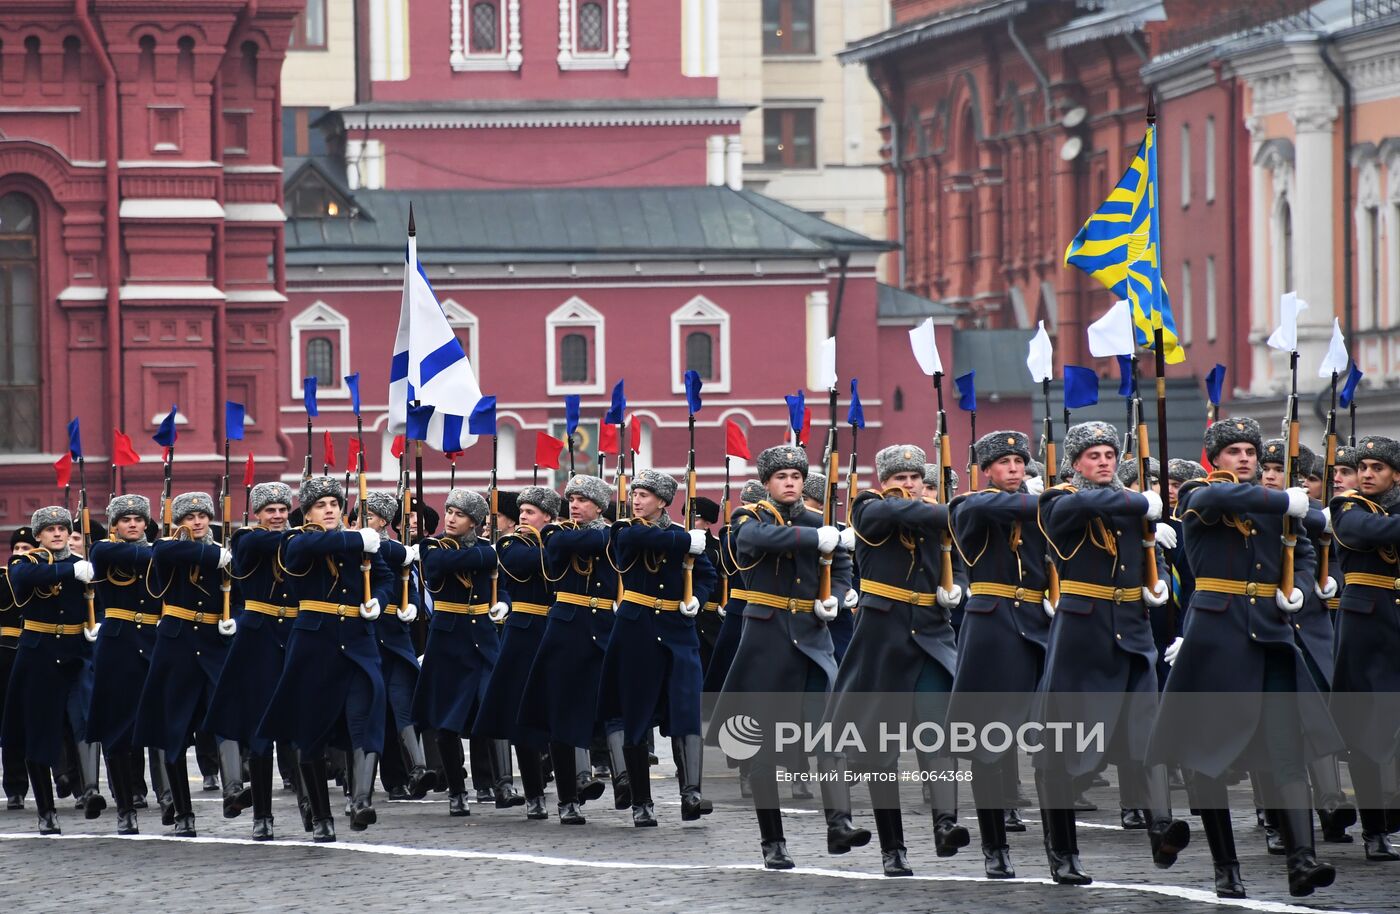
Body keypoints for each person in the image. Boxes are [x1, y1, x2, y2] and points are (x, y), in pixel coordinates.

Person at [1151, 418, 1343, 899]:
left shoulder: (1272, 504)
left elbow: (1304, 551)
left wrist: (1300, 588)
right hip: (1216, 639)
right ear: (1213, 458)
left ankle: (1302, 861)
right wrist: (1288, 502)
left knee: (1288, 751)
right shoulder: (1200, 493)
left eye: (1250, 451)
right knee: (1210, 757)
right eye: (1232, 450)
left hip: (1270, 637)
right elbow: (1219, 501)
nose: (1244, 458)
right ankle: (1226, 868)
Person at [1037, 422, 1188, 886]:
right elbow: (1084, 505)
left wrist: (1157, 575)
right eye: (1093, 456)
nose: (1103, 462)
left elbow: (1144, 559)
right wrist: (1144, 503)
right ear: (1075, 462)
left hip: (1133, 630)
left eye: (1109, 454)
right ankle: (1063, 852)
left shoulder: (1129, 502)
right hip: (1082, 633)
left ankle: (1161, 827)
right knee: (1067, 745)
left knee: (1148, 731)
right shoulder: (1058, 500)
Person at [710, 445, 868, 869]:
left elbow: (843, 564)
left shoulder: (818, 523)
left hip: (812, 638)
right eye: (782, 477)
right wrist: (818, 537)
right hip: (766, 639)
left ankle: (839, 824)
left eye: (796, 477)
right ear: (767, 483)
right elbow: (757, 541)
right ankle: (773, 842)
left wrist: (834, 597)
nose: (790, 483)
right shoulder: (751, 517)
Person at [828, 444, 966, 877]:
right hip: (883, 640)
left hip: (930, 634)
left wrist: (957, 587)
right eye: (899, 478)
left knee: (939, 732)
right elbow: (909, 516)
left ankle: (946, 824)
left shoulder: (934, 516)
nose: (908, 485)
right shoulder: (870, 507)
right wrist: (952, 509)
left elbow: (958, 561)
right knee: (879, 747)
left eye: (915, 478)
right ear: (883, 480)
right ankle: (893, 849)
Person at [258, 477, 393, 842]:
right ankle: (320, 815)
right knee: (311, 731)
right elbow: (310, 548)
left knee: (369, 712)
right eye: (321, 505)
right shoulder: (296, 540)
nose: (330, 510)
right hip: (314, 644)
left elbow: (383, 578)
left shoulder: (360, 541)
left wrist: (377, 600)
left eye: (335, 504)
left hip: (358, 641)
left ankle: (361, 800)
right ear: (307, 513)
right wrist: (358, 537)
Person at [947, 431, 1050, 879]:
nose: (1013, 469)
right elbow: (996, 509)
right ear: (986, 469)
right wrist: (1061, 500)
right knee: (988, 742)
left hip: (1041, 623)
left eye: (1019, 462)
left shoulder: (1041, 506)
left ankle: (1060, 845)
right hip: (993, 625)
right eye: (1004, 462)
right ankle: (994, 845)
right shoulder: (971, 505)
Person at [600, 469, 717, 826]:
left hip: (678, 630)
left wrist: (696, 597)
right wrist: (686, 543)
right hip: (637, 629)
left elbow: (707, 575)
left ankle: (691, 793)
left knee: (685, 708)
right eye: (635, 493)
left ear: (664, 501)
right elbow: (637, 541)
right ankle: (641, 801)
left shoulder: (683, 536)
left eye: (646, 495)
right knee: (637, 714)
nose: (637, 500)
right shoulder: (624, 530)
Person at [134, 492, 247, 837]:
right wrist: (216, 554)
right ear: (179, 521)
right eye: (190, 516)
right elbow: (164, 551)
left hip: (214, 644)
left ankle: (233, 789)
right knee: (175, 730)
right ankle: (182, 811)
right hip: (177, 645)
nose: (198, 522)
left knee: (225, 714)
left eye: (202, 515)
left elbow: (241, 597)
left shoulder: (225, 554)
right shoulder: (171, 548)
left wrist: (236, 621)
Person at [203, 482, 304, 840]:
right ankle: (262, 815)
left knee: (299, 729)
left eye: (282, 510)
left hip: (295, 636)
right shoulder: (247, 538)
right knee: (261, 734)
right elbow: (261, 545)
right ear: (256, 514)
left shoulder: (302, 538)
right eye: (269, 511)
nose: (277, 516)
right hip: (259, 640)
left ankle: (310, 807)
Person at [518, 475, 616, 824]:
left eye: (583, 500)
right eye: (571, 499)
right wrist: (608, 532)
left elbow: (609, 542)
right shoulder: (556, 534)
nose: (574, 505)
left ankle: (627, 787)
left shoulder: (612, 533)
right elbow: (575, 545)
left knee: (614, 709)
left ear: (600, 506)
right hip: (565, 627)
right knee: (561, 713)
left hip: (604, 627)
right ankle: (567, 799)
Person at [4, 507, 98, 834]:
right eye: (50, 529)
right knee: (39, 733)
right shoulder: (24, 564)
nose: (57, 533)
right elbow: (23, 580)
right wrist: (69, 572)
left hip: (75, 653)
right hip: (39, 655)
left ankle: (90, 789)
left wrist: (94, 626)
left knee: (85, 721)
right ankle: (46, 810)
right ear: (38, 536)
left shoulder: (82, 565)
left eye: (62, 528)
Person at [1329, 435, 1400, 863]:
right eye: (1363, 467)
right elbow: (1366, 532)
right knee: (1366, 733)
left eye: (1378, 468)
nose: (1368, 474)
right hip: (1365, 627)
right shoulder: (1347, 507)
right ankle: (1375, 830)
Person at [414, 488, 505, 818]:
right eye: (449, 511)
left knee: (490, 708)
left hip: (482, 637)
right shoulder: (432, 546)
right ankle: (456, 789)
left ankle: (497, 782)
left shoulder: (486, 550)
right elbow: (442, 564)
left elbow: (501, 583)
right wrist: (487, 554)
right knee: (447, 721)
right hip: (448, 642)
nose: (450, 518)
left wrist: (502, 602)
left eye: (459, 514)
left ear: (474, 523)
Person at [473, 486, 562, 820]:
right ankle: (534, 794)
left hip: (556, 632)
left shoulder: (560, 539)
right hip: (522, 634)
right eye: (521, 512)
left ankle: (572, 778)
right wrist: (558, 543)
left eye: (531, 512)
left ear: (549, 517)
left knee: (561, 709)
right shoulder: (511, 544)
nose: (523, 517)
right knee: (522, 714)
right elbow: (534, 564)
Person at [87, 495, 162, 835]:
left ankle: (170, 796)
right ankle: (125, 806)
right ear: (114, 525)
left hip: (154, 641)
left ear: (147, 523)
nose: (132, 524)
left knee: (163, 721)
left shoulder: (162, 551)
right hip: (117, 644)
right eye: (125, 519)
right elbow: (135, 555)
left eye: (138, 519)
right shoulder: (104, 551)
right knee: (117, 728)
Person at [359, 491, 437, 804]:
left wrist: (413, 608)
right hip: (366, 636)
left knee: (403, 705)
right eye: (364, 516)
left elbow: (410, 587)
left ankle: (417, 769)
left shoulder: (397, 551)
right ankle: (371, 779)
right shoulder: (356, 547)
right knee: (372, 712)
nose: (369, 522)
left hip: (396, 637)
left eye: (375, 517)